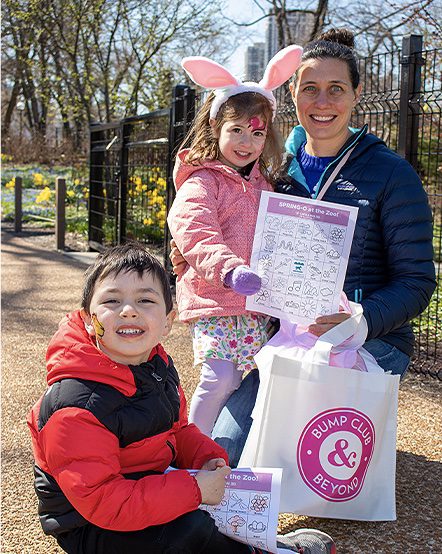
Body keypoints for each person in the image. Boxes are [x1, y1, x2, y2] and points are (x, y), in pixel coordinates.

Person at [171, 29, 436, 467]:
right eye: (310, 89)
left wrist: (362, 320)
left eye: (336, 89)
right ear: (292, 93)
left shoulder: (391, 173)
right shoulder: (270, 165)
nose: (322, 101)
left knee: (291, 451)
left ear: (356, 94)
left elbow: (417, 280)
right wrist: (193, 259)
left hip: (369, 339)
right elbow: (211, 214)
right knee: (224, 452)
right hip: (281, 337)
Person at [27, 242, 335, 554]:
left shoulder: (157, 366)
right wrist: (194, 488)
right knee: (188, 529)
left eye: (145, 300)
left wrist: (205, 456)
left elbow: (176, 431)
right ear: (88, 318)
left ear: (168, 321)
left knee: (216, 503)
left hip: (146, 484)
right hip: (91, 524)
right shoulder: (76, 404)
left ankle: (251, 541)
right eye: (112, 300)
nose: (129, 310)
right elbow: (104, 502)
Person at [166, 47, 303, 436]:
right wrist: (229, 269)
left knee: (246, 379)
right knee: (220, 376)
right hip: (217, 297)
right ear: (216, 130)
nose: (247, 141)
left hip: (255, 303)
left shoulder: (263, 185)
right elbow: (194, 228)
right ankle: (191, 446)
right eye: (237, 130)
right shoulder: (202, 181)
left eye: (257, 132)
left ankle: (227, 445)